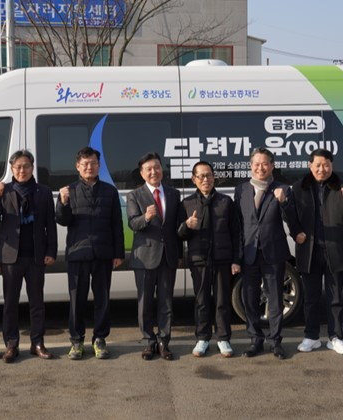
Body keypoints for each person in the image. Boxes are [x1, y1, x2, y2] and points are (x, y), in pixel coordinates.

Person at [0, 150, 57, 363]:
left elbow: (50, 225)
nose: (22, 170)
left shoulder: (43, 192)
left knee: (37, 303)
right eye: (17, 167)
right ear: (11, 169)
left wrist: (51, 251)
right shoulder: (4, 190)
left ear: (32, 168)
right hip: (10, 257)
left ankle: (38, 343)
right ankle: (11, 344)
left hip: (36, 256)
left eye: (26, 166)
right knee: (10, 303)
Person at [55, 147, 125, 360]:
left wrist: (118, 253)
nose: (89, 167)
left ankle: (100, 339)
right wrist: (63, 202)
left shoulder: (109, 191)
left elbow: (117, 225)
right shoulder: (69, 191)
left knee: (102, 299)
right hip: (78, 253)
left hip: (103, 253)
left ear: (99, 165)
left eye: (93, 163)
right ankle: (77, 341)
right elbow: (63, 220)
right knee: (77, 300)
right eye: (85, 164)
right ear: (78, 166)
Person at [292, 148, 343, 355]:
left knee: (335, 298)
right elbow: (289, 214)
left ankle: (335, 337)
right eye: (318, 165)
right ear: (310, 165)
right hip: (309, 250)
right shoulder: (299, 187)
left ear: (332, 165)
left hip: (334, 251)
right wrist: (296, 232)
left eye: (326, 165)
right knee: (310, 298)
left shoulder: (342, 186)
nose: (322, 169)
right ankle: (311, 337)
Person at [234, 147, 298, 360]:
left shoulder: (282, 189)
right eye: (256, 164)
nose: (260, 168)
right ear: (250, 166)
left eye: (264, 164)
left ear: (272, 166)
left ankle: (275, 341)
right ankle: (255, 340)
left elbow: (292, 220)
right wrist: (237, 256)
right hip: (249, 253)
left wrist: (284, 202)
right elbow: (238, 225)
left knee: (276, 300)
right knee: (250, 299)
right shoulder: (241, 190)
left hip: (273, 254)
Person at [177, 161, 241, 358]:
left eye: (209, 175)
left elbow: (236, 232)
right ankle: (202, 338)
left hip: (222, 259)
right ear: (194, 179)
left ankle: (223, 338)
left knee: (222, 301)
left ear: (214, 177)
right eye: (201, 176)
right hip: (199, 260)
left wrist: (236, 259)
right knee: (201, 301)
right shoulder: (187, 203)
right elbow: (179, 234)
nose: (206, 180)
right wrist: (187, 225)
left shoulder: (226, 202)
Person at [127, 152, 181, 360]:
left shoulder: (173, 194)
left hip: (168, 256)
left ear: (162, 169)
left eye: (157, 167)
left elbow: (176, 227)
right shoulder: (134, 195)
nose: (153, 172)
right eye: (148, 169)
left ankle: (164, 341)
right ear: (142, 173)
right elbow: (133, 223)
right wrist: (146, 217)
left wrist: (178, 253)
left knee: (166, 302)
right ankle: (149, 341)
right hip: (145, 256)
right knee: (145, 303)